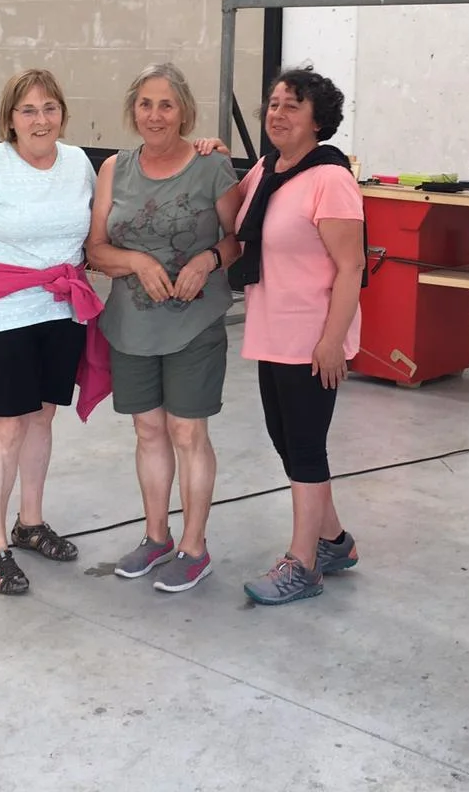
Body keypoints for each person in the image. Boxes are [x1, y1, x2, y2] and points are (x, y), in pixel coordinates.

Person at [0, 69, 110, 596]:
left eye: (50, 108)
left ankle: (30, 522)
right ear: (10, 119)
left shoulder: (78, 163)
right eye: (28, 110)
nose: (41, 120)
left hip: (61, 310)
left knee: (43, 417)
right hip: (6, 314)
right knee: (9, 425)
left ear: (63, 113)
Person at [86, 64, 242, 593]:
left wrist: (208, 259)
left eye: (166, 105)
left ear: (184, 112)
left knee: (187, 432)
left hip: (193, 323)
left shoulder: (211, 166)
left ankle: (194, 548)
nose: (155, 115)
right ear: (134, 109)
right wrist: (136, 261)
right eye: (146, 104)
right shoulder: (114, 169)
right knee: (148, 431)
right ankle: (156, 537)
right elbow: (96, 249)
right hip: (130, 324)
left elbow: (239, 239)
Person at [234, 68, 365, 605]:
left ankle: (303, 564)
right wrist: (206, 156)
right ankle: (333, 541)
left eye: (292, 105)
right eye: (273, 104)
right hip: (272, 330)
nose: (278, 114)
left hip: (312, 338)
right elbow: (229, 211)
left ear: (317, 120)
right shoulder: (268, 168)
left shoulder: (330, 178)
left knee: (306, 448)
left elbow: (352, 266)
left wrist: (332, 341)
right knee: (286, 441)